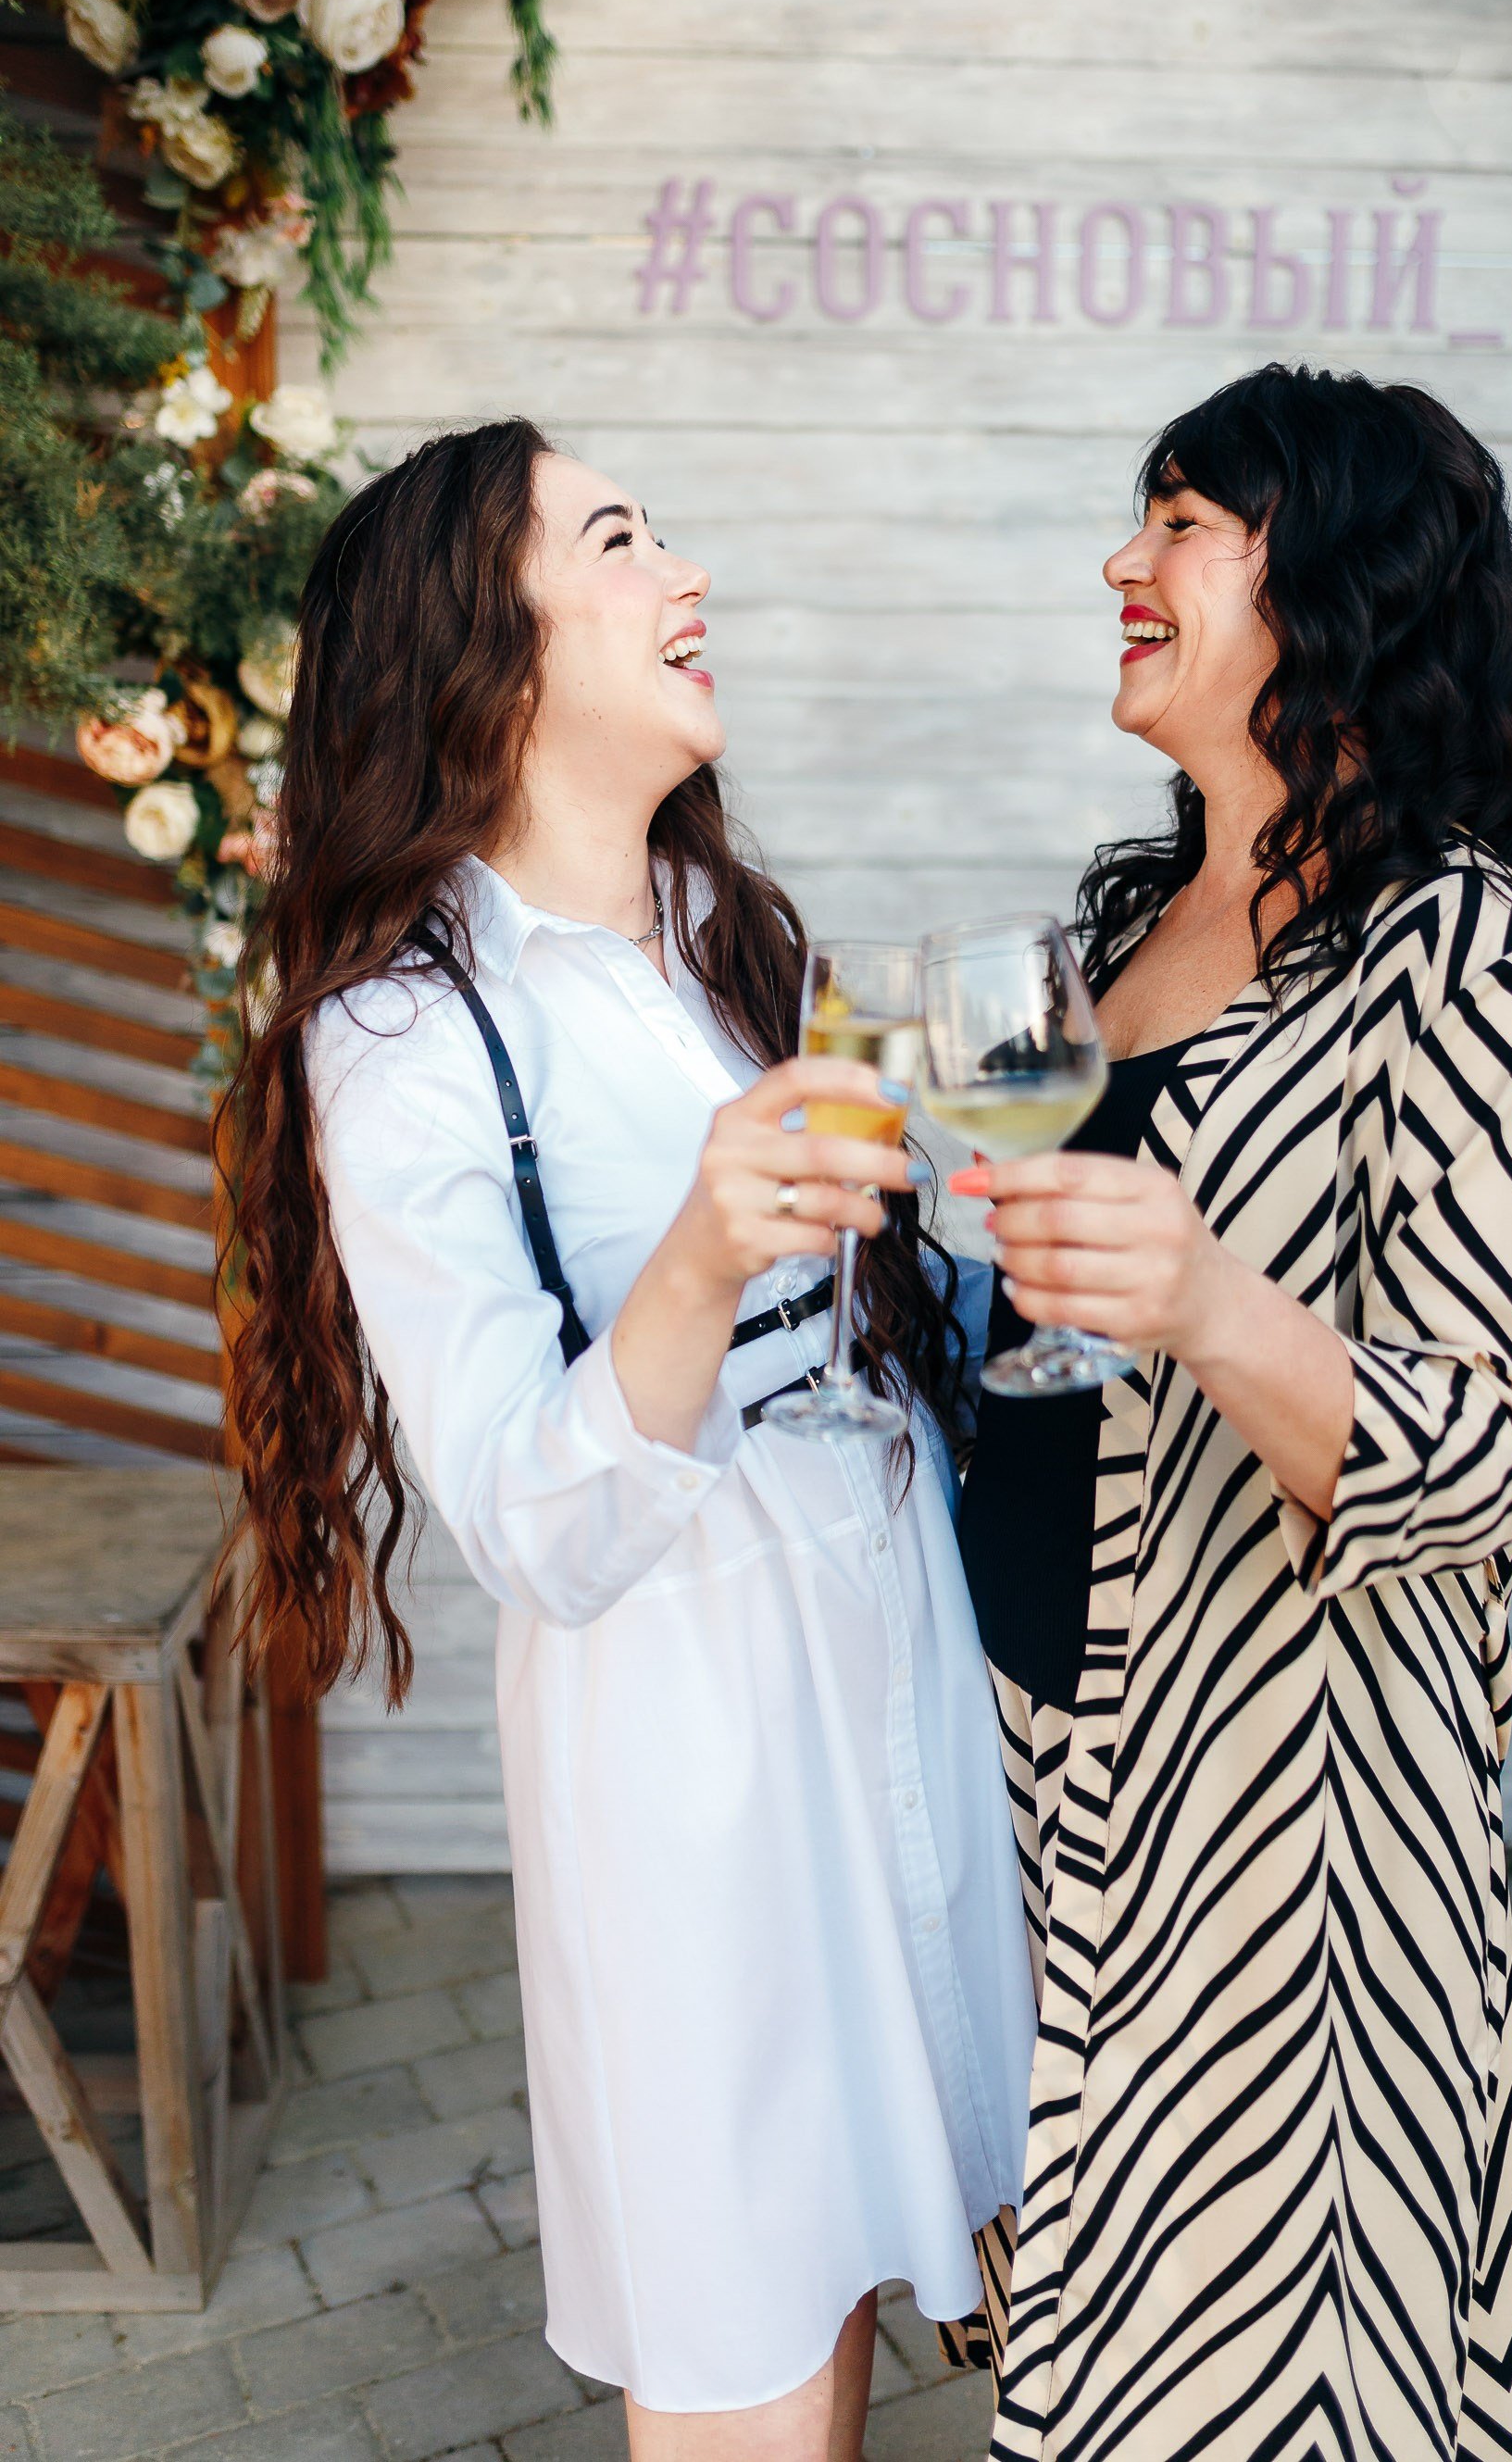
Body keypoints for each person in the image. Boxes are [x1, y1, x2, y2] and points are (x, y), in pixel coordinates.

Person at [224, 419, 1035, 2462]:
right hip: (696, 1752)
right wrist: (696, 1253)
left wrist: (995, 1231)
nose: (687, 570)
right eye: (618, 536)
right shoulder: (404, 1035)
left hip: (897, 1672)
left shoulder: (724, 930)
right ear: (481, 652)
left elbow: (873, 1287)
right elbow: (525, 1520)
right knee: (748, 2336)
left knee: (869, 2272)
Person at [954, 367, 1512, 2462]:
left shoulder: (1463, 960)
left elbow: (1487, 1453)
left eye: (1179, 521)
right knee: (1087, 2351)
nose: (1121, 564)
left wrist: (1217, 1305)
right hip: (1057, 1773)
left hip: (1279, 1859)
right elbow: (1028, 1305)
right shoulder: (1120, 925)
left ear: (1325, 577)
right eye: (1135, 518)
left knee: (1270, 2384)